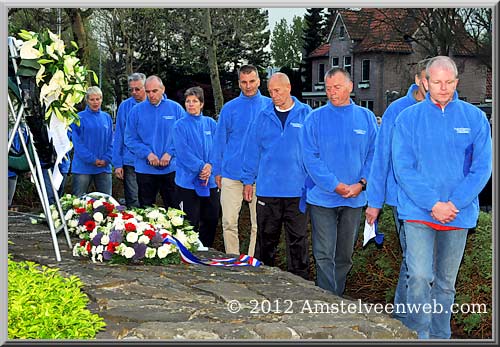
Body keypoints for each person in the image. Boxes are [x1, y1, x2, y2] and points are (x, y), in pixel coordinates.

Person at [392, 56, 492, 339]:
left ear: (457, 82)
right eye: (437, 82)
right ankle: (418, 334)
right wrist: (433, 203)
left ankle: (440, 336)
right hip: (418, 212)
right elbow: (403, 167)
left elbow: (482, 167)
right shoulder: (407, 119)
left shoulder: (474, 118)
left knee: (447, 283)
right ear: (425, 82)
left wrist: (454, 204)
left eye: (449, 82)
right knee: (420, 276)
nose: (443, 87)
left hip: (457, 214)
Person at [302, 68, 378, 296]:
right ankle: (329, 300)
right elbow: (310, 157)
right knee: (323, 253)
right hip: (323, 198)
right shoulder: (314, 119)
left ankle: (337, 294)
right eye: (328, 88)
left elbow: (375, 155)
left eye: (337, 87)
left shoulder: (366, 118)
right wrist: (334, 184)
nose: (332, 93)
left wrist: (361, 183)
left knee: (344, 255)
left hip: (355, 198)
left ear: (350, 87)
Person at [364, 59, 428, 323]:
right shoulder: (397, 110)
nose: (432, 84)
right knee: (414, 259)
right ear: (417, 79)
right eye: (427, 78)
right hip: (403, 200)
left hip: (437, 200)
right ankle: (405, 318)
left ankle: (409, 316)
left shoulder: (451, 110)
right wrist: (375, 201)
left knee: (419, 262)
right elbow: (381, 157)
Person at [241, 72, 311, 280]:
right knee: (266, 240)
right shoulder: (261, 117)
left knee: (298, 241)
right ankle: (262, 281)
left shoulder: (306, 114)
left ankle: (301, 284)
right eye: (270, 91)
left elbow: (315, 150)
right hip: (268, 190)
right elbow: (251, 151)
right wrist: (248, 180)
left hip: (297, 191)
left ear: (288, 88)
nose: (273, 95)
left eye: (277, 90)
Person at [212, 65, 272, 256]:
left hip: (260, 176)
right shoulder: (229, 109)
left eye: (252, 81)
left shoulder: (270, 106)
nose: (248, 86)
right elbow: (219, 141)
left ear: (259, 81)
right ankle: (232, 259)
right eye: (244, 82)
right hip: (231, 174)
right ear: (239, 83)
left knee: (258, 224)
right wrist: (217, 170)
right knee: (229, 222)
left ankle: (252, 263)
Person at [125, 75, 184, 208]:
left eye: (154, 91)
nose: (151, 95)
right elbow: (129, 139)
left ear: (162, 89)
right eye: (148, 91)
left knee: (174, 210)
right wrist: (147, 154)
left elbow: (184, 137)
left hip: (171, 169)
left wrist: (170, 153)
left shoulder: (176, 109)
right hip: (145, 170)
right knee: (146, 211)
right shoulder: (136, 111)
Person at [172, 87, 220, 247]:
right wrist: (201, 167)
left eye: (194, 101)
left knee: (212, 218)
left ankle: (206, 250)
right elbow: (183, 152)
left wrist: (210, 167)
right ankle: (190, 252)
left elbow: (218, 148)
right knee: (190, 222)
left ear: (202, 104)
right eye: (188, 101)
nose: (191, 104)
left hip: (210, 181)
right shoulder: (179, 126)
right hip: (187, 183)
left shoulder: (211, 124)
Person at [112, 72, 147, 208]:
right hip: (130, 161)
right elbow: (119, 135)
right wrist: (117, 163)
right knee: (133, 200)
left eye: (137, 89)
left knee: (147, 200)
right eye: (131, 89)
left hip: (150, 162)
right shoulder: (124, 106)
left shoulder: (157, 106)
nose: (134, 92)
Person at [71, 86, 113, 197]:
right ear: (87, 100)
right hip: (83, 168)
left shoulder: (107, 117)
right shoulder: (78, 118)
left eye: (98, 99)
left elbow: (111, 141)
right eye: (92, 99)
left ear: (101, 99)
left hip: (104, 167)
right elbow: (77, 143)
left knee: (107, 202)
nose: (95, 102)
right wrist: (92, 159)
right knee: (78, 201)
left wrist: (107, 158)